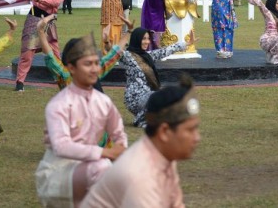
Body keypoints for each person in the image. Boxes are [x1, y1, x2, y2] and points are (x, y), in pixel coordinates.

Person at [35, 33, 128, 207]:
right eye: (87, 64)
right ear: (71, 68)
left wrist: (120, 148)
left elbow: (119, 133)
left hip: (94, 166)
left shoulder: (103, 101)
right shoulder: (58, 105)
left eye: (95, 63)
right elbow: (62, 147)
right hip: (59, 173)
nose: (94, 69)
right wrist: (105, 153)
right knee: (102, 169)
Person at [81, 76, 200, 208]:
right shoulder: (139, 175)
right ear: (164, 132)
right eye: (190, 130)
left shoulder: (163, 156)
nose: (197, 137)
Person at [119, 27, 197, 128]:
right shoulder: (128, 56)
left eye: (148, 38)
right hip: (134, 98)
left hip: (148, 95)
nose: (147, 41)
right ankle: (141, 120)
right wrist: (126, 33)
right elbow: (115, 51)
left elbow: (166, 50)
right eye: (143, 39)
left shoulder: (148, 56)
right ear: (136, 39)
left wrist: (186, 43)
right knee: (159, 97)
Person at [36, 15, 130, 90]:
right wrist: (129, 31)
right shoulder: (88, 72)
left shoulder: (67, 75)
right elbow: (113, 54)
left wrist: (40, 31)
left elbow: (113, 54)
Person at [16, 0, 66, 91]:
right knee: (28, 52)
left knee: (54, 52)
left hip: (49, 22)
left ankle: (62, 79)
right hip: (34, 19)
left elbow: (54, 2)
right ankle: (20, 83)